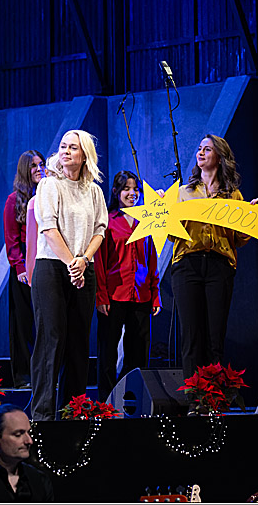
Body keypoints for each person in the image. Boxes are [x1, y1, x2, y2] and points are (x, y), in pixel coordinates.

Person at [171, 134, 258, 413]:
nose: (200, 153)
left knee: (214, 336)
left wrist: (252, 217)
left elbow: (238, 238)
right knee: (192, 335)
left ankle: (213, 398)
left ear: (219, 157)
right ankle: (194, 399)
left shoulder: (232, 195)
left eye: (207, 149)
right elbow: (168, 231)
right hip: (187, 264)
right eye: (198, 148)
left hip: (219, 266)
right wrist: (164, 209)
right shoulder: (183, 191)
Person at [30, 130, 107, 421]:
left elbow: (100, 229)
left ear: (84, 154)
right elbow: (48, 228)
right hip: (52, 268)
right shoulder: (49, 184)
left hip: (84, 267)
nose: (66, 152)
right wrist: (71, 264)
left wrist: (83, 260)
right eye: (63, 146)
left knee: (78, 342)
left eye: (73, 148)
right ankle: (43, 414)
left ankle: (72, 412)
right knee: (52, 339)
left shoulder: (94, 190)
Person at [94, 171, 160, 400]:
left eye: (135, 189)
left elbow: (152, 259)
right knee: (108, 350)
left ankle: (131, 397)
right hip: (114, 294)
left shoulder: (145, 222)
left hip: (141, 294)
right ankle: (106, 400)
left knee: (138, 351)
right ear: (116, 192)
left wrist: (155, 294)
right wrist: (101, 296)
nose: (132, 194)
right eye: (126, 189)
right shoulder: (108, 222)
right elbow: (99, 263)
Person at [2, 150, 45, 389]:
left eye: (41, 164)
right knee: (22, 324)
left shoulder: (50, 196)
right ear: (24, 170)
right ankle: (23, 376)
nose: (39, 168)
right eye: (34, 166)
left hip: (46, 267)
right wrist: (20, 267)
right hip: (23, 269)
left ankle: (44, 374)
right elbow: (11, 238)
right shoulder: (14, 199)